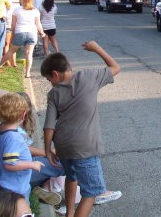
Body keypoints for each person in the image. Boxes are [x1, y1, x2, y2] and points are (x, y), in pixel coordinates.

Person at [42, 41, 122, 217]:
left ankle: (70, 213)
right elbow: (115, 67)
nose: (50, 83)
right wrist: (97, 48)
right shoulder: (89, 77)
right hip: (85, 148)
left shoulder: (53, 94)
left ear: (55, 74)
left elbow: (49, 125)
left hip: (63, 147)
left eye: (49, 80)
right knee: (91, 193)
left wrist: (48, 150)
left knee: (71, 177)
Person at [0, 94, 44, 201]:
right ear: (23, 115)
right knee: (21, 208)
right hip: (16, 187)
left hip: (2, 179)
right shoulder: (13, 138)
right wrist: (32, 164)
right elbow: (10, 164)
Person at [0, 0, 46, 78]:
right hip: (32, 33)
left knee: (11, 51)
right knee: (29, 54)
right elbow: (38, 24)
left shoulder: (17, 10)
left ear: (23, 0)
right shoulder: (35, 11)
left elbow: (13, 24)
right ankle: (27, 73)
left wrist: (13, 33)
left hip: (20, 32)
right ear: (32, 1)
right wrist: (42, 32)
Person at [4, 0, 23, 68]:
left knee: (14, 44)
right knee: (7, 43)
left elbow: (28, 0)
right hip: (7, 22)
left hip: (16, 23)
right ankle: (7, 62)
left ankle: (13, 62)